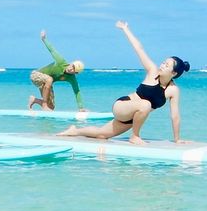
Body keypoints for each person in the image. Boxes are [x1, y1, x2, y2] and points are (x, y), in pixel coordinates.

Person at [58, 21, 188, 145]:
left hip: (133, 119)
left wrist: (177, 139)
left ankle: (74, 130)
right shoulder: (152, 71)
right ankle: (135, 136)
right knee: (146, 104)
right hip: (122, 106)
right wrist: (126, 29)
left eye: (167, 65)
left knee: (101, 134)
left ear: (174, 73)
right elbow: (139, 49)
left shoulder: (173, 90)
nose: (163, 65)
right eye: (164, 62)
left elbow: (175, 115)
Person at [27, 30, 85, 112]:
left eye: (73, 70)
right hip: (36, 75)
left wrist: (81, 108)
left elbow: (77, 91)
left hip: (46, 84)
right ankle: (44, 105)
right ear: (71, 63)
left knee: (51, 107)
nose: (71, 69)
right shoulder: (61, 61)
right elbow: (52, 50)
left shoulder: (72, 78)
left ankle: (34, 100)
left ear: (75, 73)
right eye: (72, 66)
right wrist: (44, 39)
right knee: (49, 79)